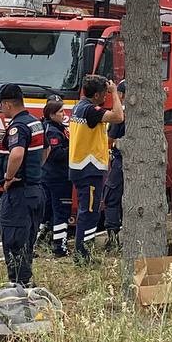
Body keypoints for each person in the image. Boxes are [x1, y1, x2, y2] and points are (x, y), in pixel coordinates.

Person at [68, 74, 125, 261]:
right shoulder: (90, 110)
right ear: (97, 95)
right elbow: (118, 116)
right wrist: (116, 93)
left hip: (81, 166)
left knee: (88, 211)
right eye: (104, 94)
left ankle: (83, 251)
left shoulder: (78, 106)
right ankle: (82, 255)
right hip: (89, 167)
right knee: (89, 213)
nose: (106, 97)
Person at [0, 83, 47, 286]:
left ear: (8, 104)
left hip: (19, 193)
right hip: (35, 190)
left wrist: (8, 178)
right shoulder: (36, 122)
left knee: (14, 241)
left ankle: (18, 287)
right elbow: (45, 151)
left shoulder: (18, 127)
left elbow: (16, 153)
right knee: (27, 241)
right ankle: (25, 283)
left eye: (0, 104)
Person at [41, 100, 72, 257]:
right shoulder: (53, 131)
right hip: (57, 177)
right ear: (52, 114)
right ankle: (60, 248)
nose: (64, 114)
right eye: (60, 112)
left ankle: (40, 241)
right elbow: (56, 154)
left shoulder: (57, 128)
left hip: (50, 176)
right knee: (61, 212)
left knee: (47, 212)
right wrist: (74, 149)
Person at [103, 82, 127, 251]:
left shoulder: (121, 115)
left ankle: (112, 238)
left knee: (111, 198)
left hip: (121, 163)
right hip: (139, 165)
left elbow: (109, 140)